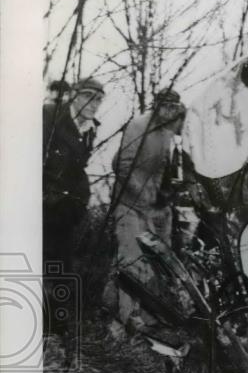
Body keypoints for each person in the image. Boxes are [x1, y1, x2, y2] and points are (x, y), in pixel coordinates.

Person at [108, 88, 186, 329]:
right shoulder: (139, 125)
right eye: (165, 107)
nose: (169, 112)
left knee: (151, 261)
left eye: (173, 108)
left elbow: (163, 169)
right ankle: (124, 320)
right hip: (129, 203)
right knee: (131, 258)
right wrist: (141, 195)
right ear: (156, 105)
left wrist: (161, 196)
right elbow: (122, 164)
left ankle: (129, 309)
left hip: (150, 206)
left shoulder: (166, 132)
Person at [42, 76, 105, 334]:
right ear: (75, 96)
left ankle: (52, 322)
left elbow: (79, 168)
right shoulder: (50, 116)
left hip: (67, 209)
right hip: (43, 203)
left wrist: (81, 199)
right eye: (88, 97)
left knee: (62, 262)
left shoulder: (90, 128)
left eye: (99, 100)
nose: (93, 104)